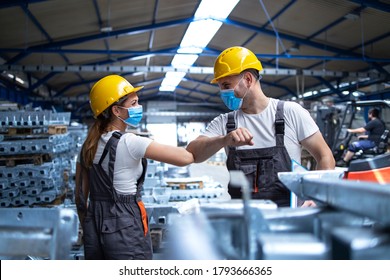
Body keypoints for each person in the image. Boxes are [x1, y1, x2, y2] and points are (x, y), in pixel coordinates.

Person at [186, 46, 335, 207]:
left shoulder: (290, 113)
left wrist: (315, 197)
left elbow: (325, 156)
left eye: (226, 85)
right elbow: (194, 153)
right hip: (244, 220)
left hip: (290, 219)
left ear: (248, 79)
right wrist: (223, 140)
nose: (222, 92)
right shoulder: (225, 123)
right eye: (221, 87)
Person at [75, 74, 194, 260]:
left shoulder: (87, 146)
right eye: (134, 103)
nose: (139, 108)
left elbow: (80, 198)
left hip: (94, 226)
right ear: (116, 110)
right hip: (124, 225)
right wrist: (223, 139)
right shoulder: (130, 142)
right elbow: (186, 157)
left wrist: (92, 225)